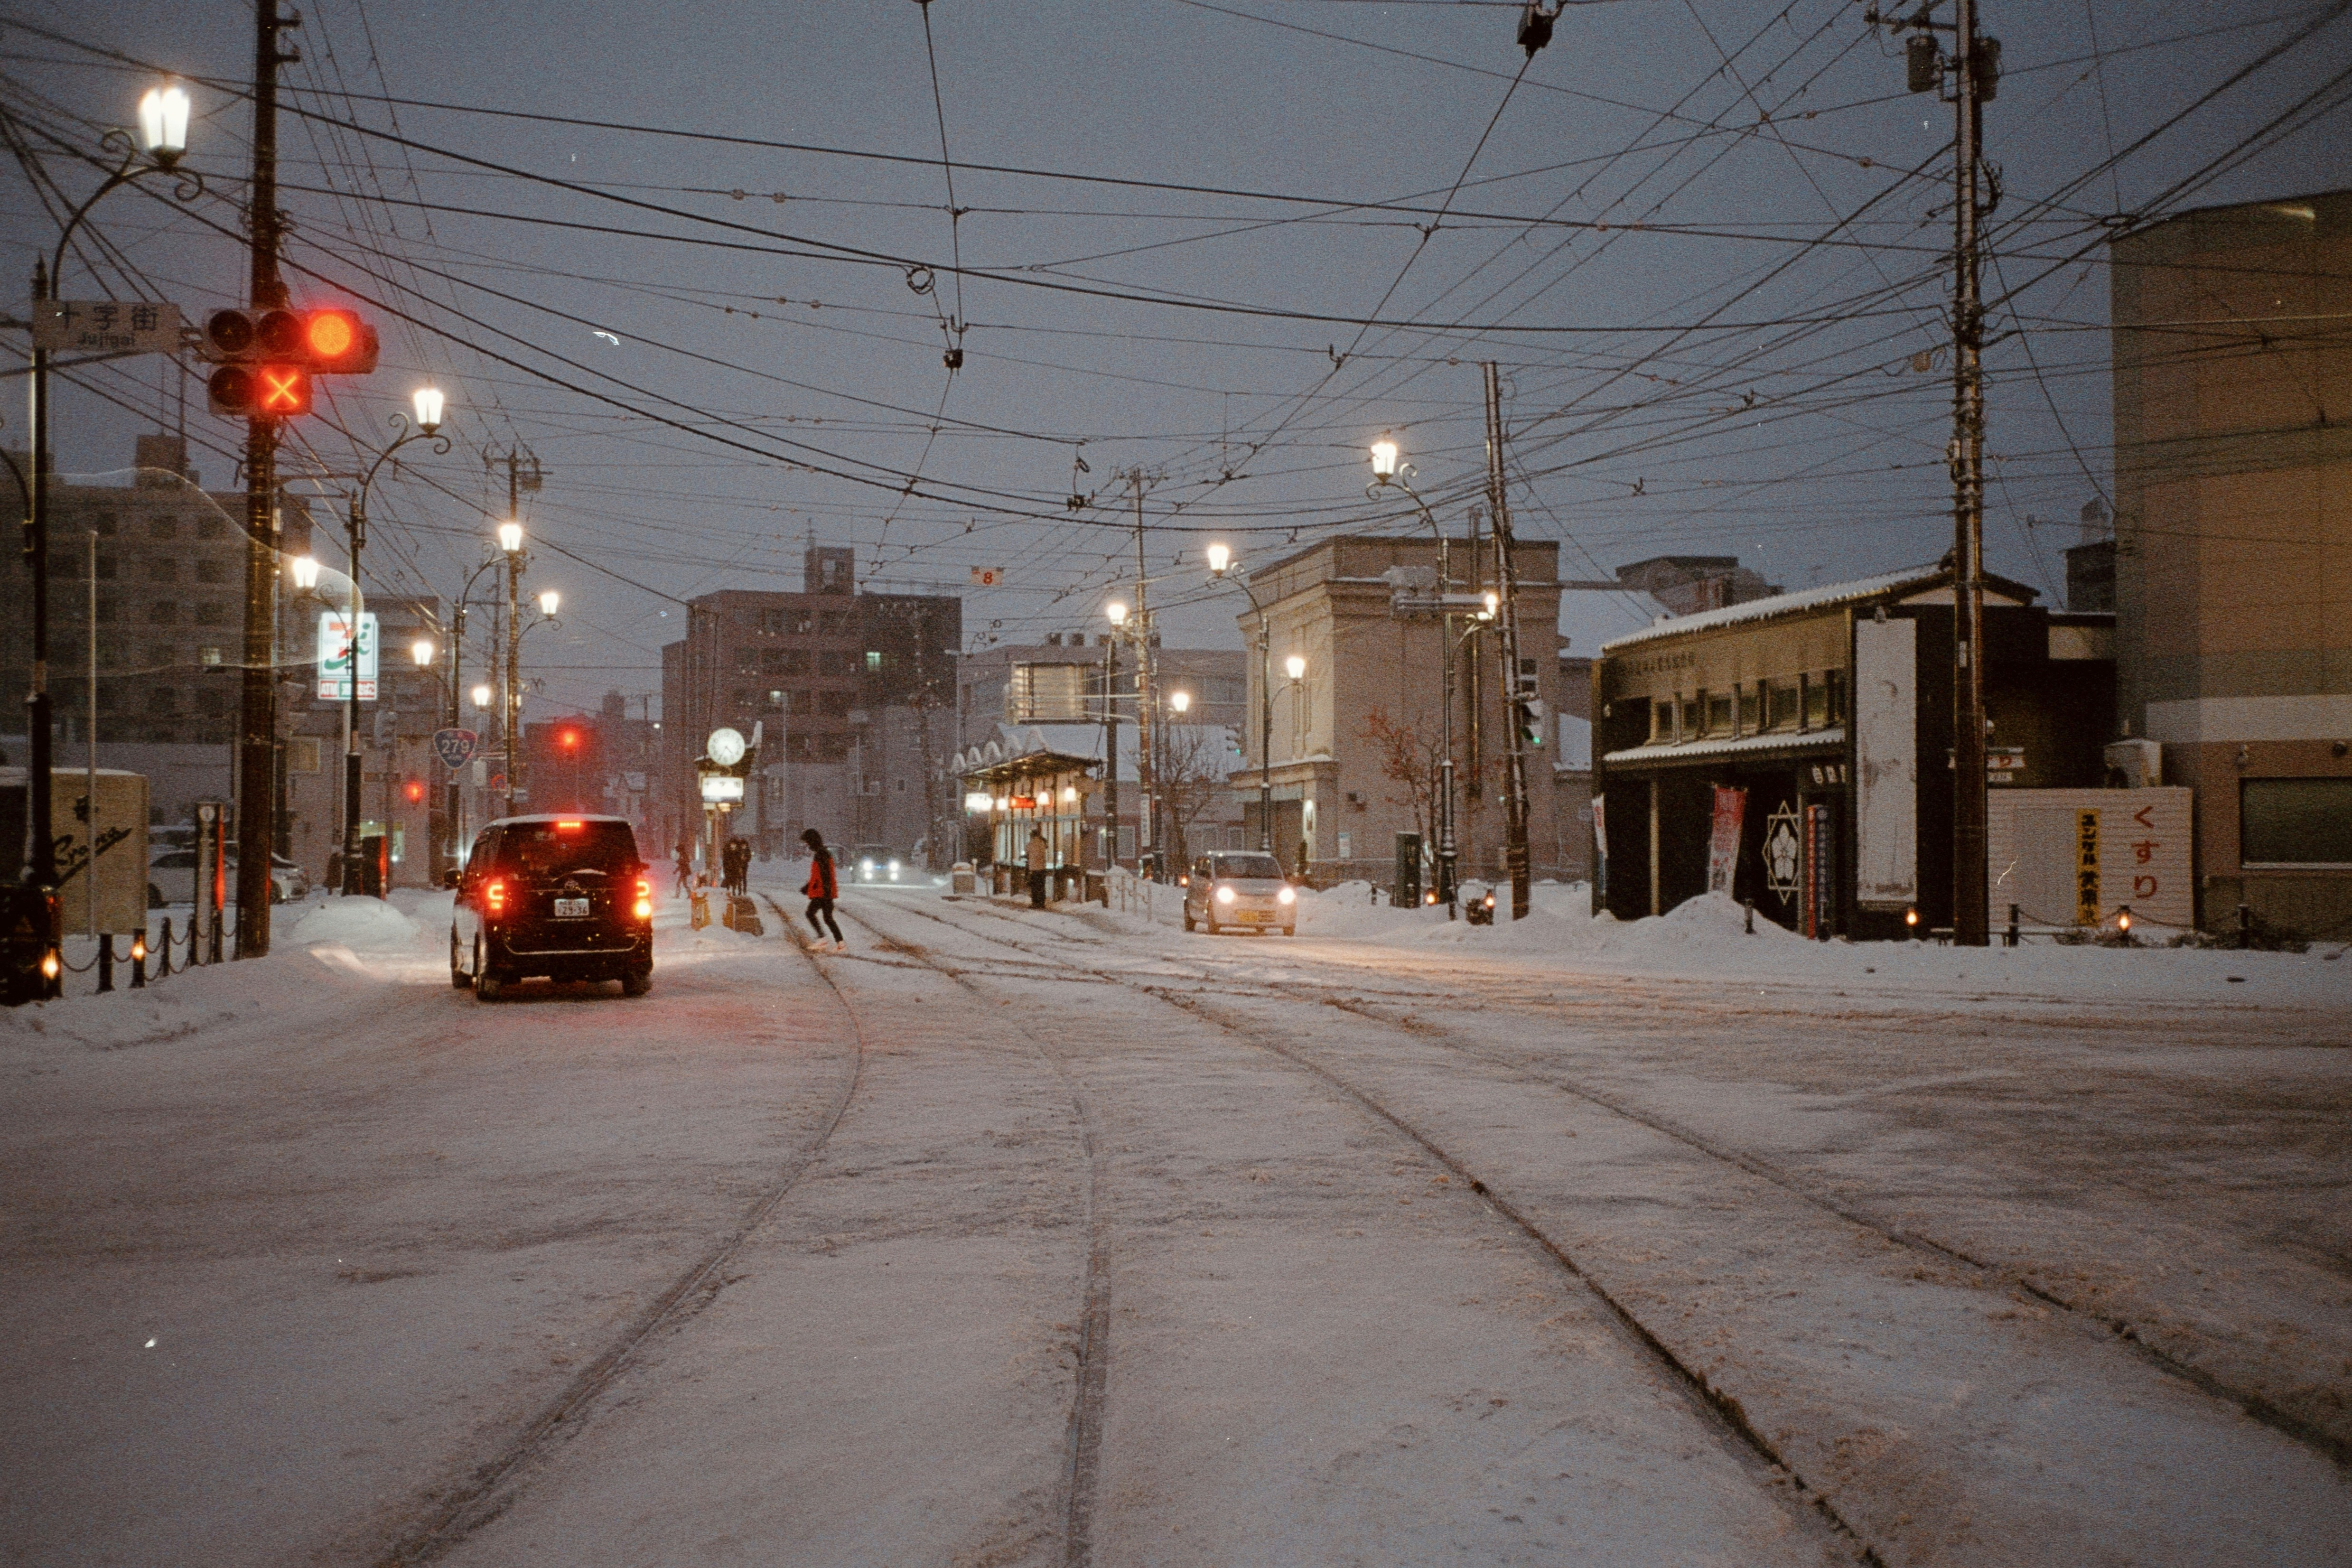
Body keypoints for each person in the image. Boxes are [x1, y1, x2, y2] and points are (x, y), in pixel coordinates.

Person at [801, 827, 844, 951]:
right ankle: (840, 943)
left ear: (812, 841)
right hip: (824, 892)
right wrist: (808, 887)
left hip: (823, 893)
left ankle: (822, 940)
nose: (807, 845)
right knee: (828, 919)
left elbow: (825, 875)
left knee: (810, 914)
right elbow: (817, 876)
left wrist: (825, 892)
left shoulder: (821, 854)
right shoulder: (821, 853)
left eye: (807, 842)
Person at [1026, 826, 1050, 909]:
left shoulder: (1031, 843)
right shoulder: (1042, 842)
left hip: (1034, 869)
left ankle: (1035, 903)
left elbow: (1027, 851)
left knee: (1035, 887)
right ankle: (1042, 903)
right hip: (1043, 868)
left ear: (1032, 835)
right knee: (1041, 886)